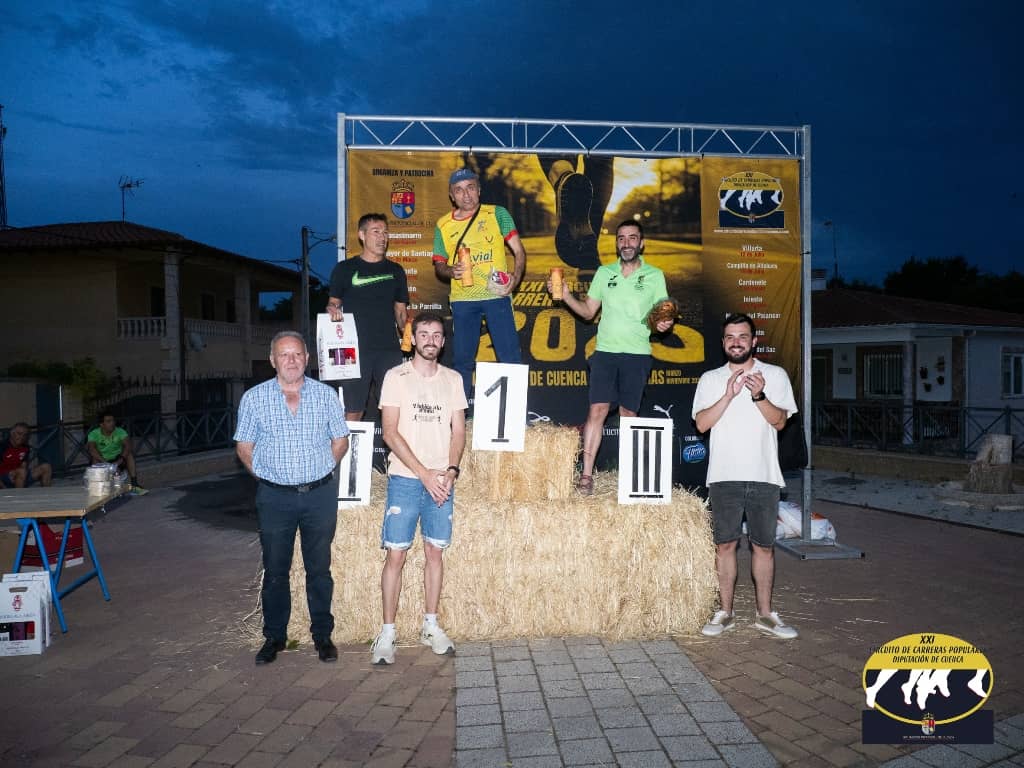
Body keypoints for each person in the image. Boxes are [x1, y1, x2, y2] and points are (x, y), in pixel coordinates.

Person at [234, 331, 350, 665]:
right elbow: (244, 447)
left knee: (319, 570)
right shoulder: (254, 398)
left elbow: (340, 440)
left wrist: (322, 468)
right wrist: (268, 478)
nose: (291, 360)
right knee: (275, 571)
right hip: (275, 499)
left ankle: (322, 635)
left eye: (297, 354)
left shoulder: (326, 395)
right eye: (284, 355)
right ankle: (274, 637)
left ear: (307, 359)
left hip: (319, 496)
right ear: (272, 360)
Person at [692, 313, 799, 639]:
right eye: (730, 337)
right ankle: (724, 612)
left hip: (764, 475)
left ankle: (765, 615)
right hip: (723, 475)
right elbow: (701, 425)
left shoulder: (775, 375)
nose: (736, 342)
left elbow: (780, 422)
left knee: (763, 547)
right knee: (725, 546)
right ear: (723, 343)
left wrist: (758, 395)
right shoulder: (710, 379)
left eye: (742, 336)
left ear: (754, 341)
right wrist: (728, 395)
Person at [548, 219, 673, 495]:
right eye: (621, 238)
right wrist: (566, 295)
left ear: (641, 243)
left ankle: (629, 478)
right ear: (616, 244)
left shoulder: (655, 276)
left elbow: (662, 315)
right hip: (605, 353)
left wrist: (664, 323)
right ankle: (586, 476)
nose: (626, 243)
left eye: (632, 238)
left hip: (637, 354)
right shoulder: (605, 273)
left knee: (629, 414)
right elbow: (587, 312)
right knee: (597, 411)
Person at [370, 312, 467, 665]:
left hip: (441, 481)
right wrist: (424, 473)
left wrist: (451, 471)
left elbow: (459, 431)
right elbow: (389, 432)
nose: (430, 340)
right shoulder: (396, 377)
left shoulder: (453, 379)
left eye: (436, 335)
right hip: (406, 479)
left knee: (434, 553)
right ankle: (388, 632)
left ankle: (430, 625)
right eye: (423, 334)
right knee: (396, 555)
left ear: (443, 341)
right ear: (413, 338)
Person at [432, 167, 526, 407]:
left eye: (470, 188)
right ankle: (460, 416)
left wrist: (515, 277)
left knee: (510, 357)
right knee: (462, 361)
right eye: (459, 190)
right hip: (463, 300)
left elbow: (518, 250)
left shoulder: (497, 213)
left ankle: (516, 416)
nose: (466, 195)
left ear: (479, 190)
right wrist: (451, 271)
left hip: (496, 295)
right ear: (451, 195)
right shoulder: (443, 224)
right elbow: (439, 265)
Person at [326, 212, 410, 421]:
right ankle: (346, 444)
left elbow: (401, 311)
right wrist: (332, 310)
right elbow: (333, 303)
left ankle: (394, 445)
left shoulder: (396, 271)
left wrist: (411, 330)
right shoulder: (344, 269)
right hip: (352, 351)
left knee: (393, 409)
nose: (382, 237)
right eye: (376, 232)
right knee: (353, 409)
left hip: (388, 350)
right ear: (362, 235)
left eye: (385, 233)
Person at [87, 411, 141, 491]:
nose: (112, 423)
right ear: (101, 424)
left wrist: (120, 461)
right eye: (108, 421)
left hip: (118, 459)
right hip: (103, 460)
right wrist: (106, 463)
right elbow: (91, 449)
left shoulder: (120, 431)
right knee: (94, 458)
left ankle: (134, 483)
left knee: (129, 455)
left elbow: (128, 446)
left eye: (113, 421)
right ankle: (98, 485)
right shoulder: (93, 434)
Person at [0, 422, 53, 488]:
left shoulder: (25, 447)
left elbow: (24, 466)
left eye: (25, 435)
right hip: (5, 478)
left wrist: (18, 472)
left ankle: (47, 492)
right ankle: (19, 494)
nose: (22, 437)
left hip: (21, 476)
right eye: (19, 434)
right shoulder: (2, 447)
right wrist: (4, 488)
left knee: (46, 467)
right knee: (21, 472)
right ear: (12, 433)